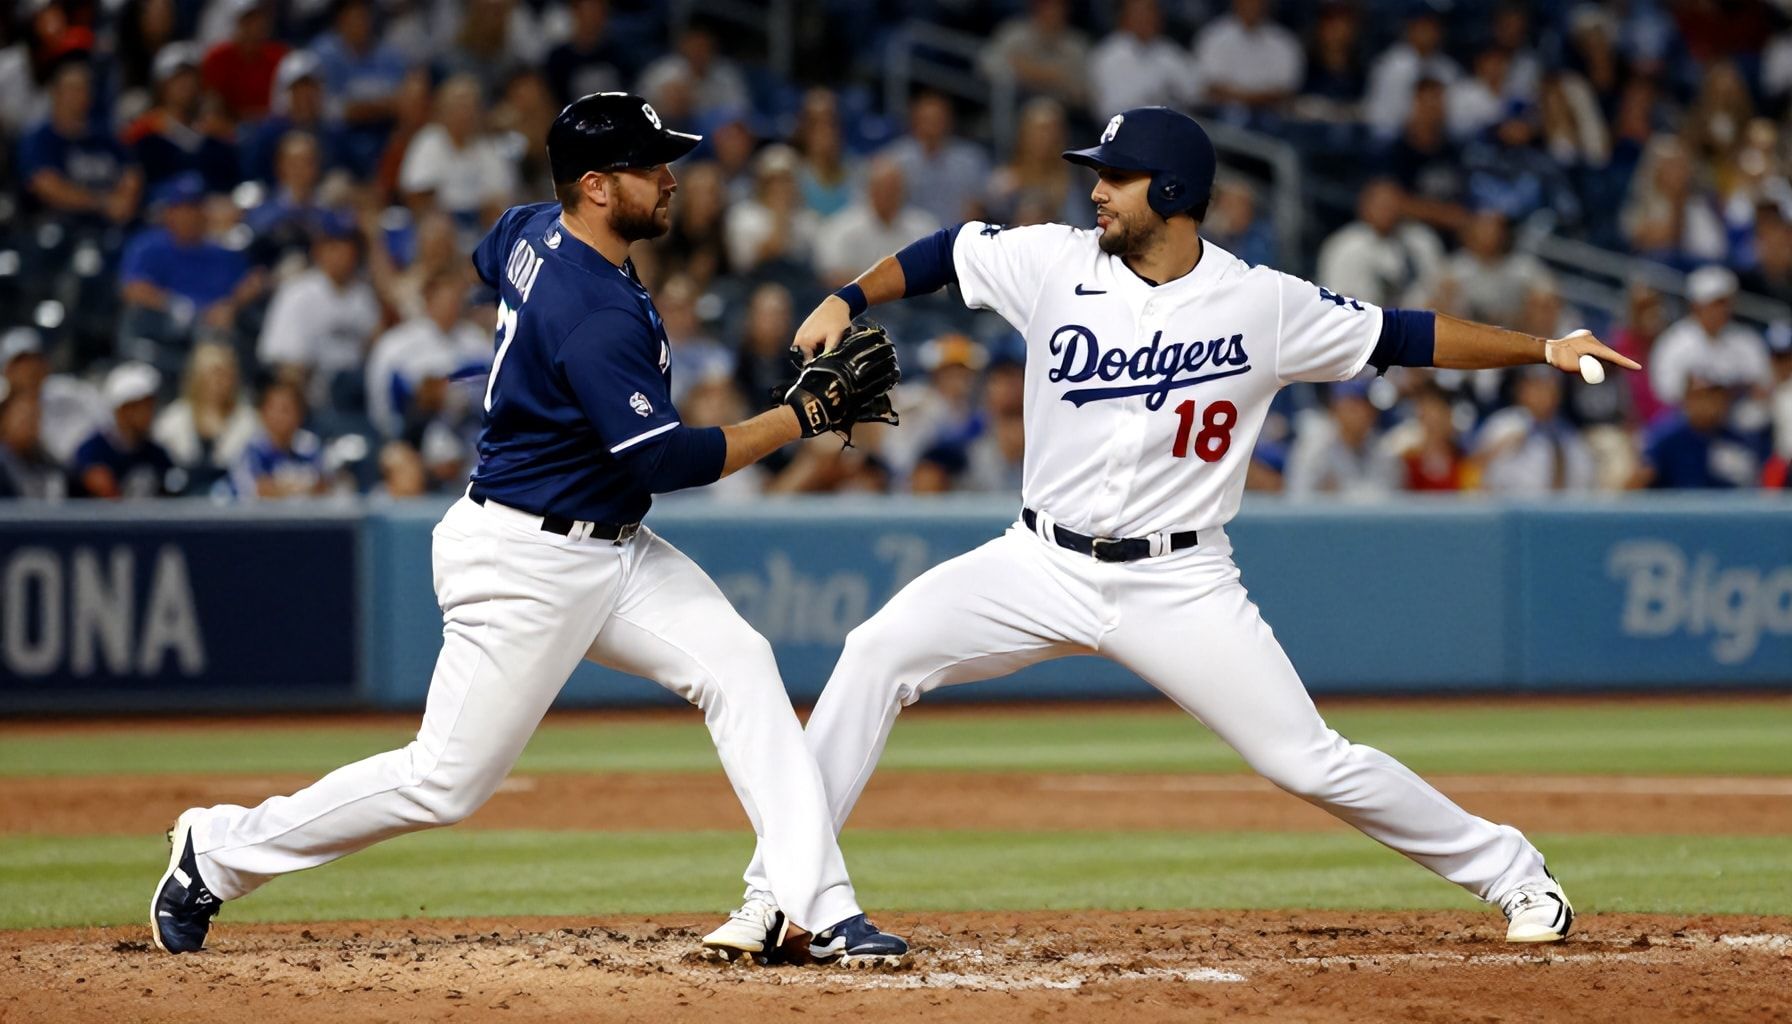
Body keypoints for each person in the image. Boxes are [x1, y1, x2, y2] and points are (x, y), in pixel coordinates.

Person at [710, 105, 1641, 954]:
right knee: (876, 651)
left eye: (1114, 177)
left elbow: (1404, 333)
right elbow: (947, 251)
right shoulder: (1055, 260)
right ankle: (780, 894)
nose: (1096, 190)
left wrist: (1545, 349)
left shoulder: (1262, 304)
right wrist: (847, 297)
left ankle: (1516, 873)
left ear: (1170, 193)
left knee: (1307, 759)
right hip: (1037, 559)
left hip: (1179, 584)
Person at [151, 92, 909, 969]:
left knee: (739, 664)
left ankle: (813, 904)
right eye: (648, 165)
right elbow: (665, 461)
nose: (669, 179)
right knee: (444, 781)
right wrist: (800, 415)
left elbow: (492, 256)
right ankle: (216, 852)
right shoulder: (594, 312)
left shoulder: (528, 227)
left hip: (612, 549)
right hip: (525, 559)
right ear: (594, 185)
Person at [70, 362, 176, 499]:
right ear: (122, 410)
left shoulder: (156, 453)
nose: (149, 413)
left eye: (150, 405)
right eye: (142, 406)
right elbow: (108, 498)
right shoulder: (93, 451)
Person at [229, 378, 331, 500]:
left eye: (286, 409)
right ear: (263, 413)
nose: (280, 416)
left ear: (300, 414)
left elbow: (325, 487)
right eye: (274, 409)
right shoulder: (251, 449)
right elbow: (259, 491)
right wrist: (302, 488)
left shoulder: (310, 445)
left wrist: (282, 488)